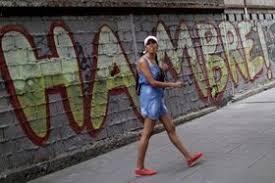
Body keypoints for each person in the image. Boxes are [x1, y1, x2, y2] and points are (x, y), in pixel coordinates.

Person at [135, 35, 203, 176]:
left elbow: (156, 77)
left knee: (171, 128)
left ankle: (189, 157)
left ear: (157, 46)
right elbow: (152, 82)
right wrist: (174, 85)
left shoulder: (154, 60)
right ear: (145, 46)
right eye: (149, 44)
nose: (152, 46)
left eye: (154, 43)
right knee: (146, 134)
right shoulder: (143, 61)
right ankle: (139, 167)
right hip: (150, 98)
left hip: (158, 98)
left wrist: (163, 70)